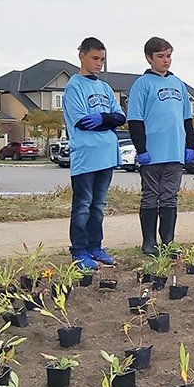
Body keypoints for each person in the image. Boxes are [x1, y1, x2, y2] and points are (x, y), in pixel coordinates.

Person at [127, 37, 194, 256]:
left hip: (174, 152)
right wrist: (141, 148)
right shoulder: (142, 84)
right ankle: (149, 242)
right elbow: (135, 119)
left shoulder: (178, 84)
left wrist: (190, 145)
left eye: (168, 56)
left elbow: (186, 118)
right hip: (152, 152)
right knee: (150, 195)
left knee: (169, 196)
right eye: (160, 56)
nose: (166, 61)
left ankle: (167, 242)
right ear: (149, 58)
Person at [62, 37, 126, 270]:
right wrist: (106, 119)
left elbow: (120, 117)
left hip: (107, 154)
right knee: (83, 204)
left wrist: (105, 118)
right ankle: (79, 250)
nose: (99, 64)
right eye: (95, 58)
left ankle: (95, 246)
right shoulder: (74, 87)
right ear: (82, 55)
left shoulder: (105, 88)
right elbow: (83, 122)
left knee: (98, 205)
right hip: (86, 156)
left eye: (102, 60)